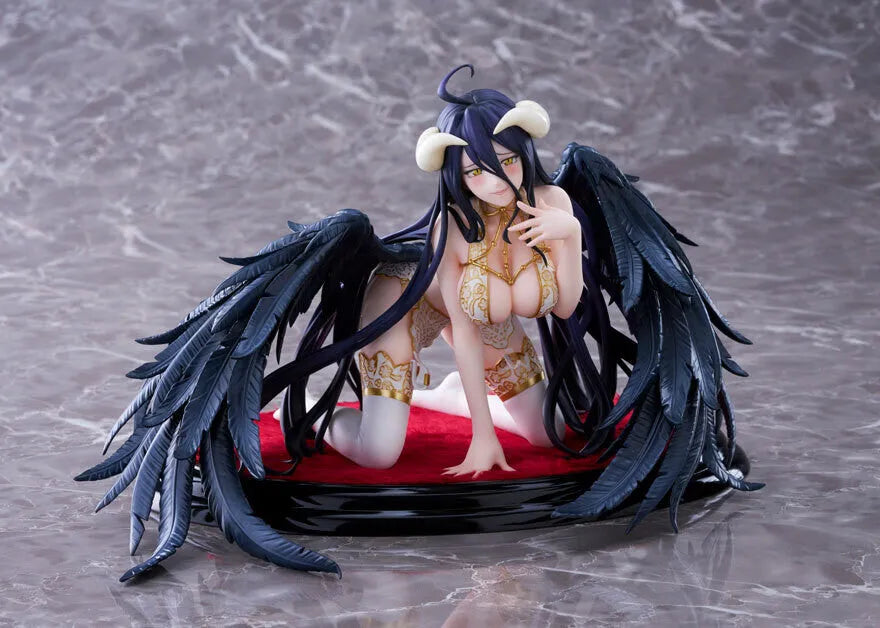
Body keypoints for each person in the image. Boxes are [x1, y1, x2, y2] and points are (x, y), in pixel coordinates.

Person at [77, 64, 761, 582]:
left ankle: (447, 399)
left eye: (508, 162)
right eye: (477, 170)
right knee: (379, 452)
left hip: (489, 316)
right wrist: (483, 438)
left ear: (526, 153)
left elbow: (562, 307)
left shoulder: (554, 202)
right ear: (456, 172)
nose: (495, 180)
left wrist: (572, 237)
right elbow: (461, 329)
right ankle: (315, 407)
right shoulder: (452, 229)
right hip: (401, 311)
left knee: (551, 434)